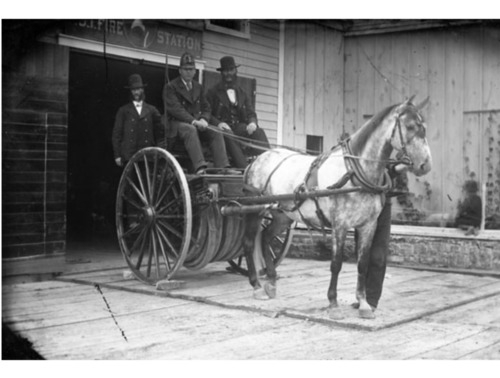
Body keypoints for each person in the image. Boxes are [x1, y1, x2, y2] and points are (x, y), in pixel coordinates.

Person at [163, 52, 242, 173]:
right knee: (190, 129)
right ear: (180, 70)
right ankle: (200, 167)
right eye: (185, 69)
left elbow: (206, 107)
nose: (188, 72)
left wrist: (204, 119)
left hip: (197, 124)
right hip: (177, 126)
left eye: (191, 69)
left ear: (195, 71)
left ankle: (223, 167)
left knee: (216, 131)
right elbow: (176, 110)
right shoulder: (171, 87)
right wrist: (194, 121)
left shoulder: (198, 87)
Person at [353, 162, 409, 311]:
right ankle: (362, 296)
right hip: (364, 204)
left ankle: (372, 300)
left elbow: (395, 175)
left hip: (383, 204)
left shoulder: (395, 148)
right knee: (362, 254)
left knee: (378, 255)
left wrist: (396, 169)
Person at [206, 56, 270, 159]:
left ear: (236, 71)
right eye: (226, 71)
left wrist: (252, 123)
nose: (229, 73)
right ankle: (243, 167)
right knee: (229, 135)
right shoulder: (212, 92)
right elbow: (207, 113)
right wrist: (218, 123)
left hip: (239, 128)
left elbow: (251, 113)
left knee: (259, 132)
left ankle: (267, 161)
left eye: (231, 70)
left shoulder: (242, 93)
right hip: (222, 130)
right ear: (221, 73)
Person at [112, 73, 163, 167]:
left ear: (143, 90)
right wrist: (117, 155)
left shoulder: (152, 110)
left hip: (147, 155)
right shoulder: (123, 111)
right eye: (133, 90)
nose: (136, 92)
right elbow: (116, 134)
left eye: (138, 89)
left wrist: (158, 151)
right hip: (128, 156)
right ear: (130, 91)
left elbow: (160, 133)